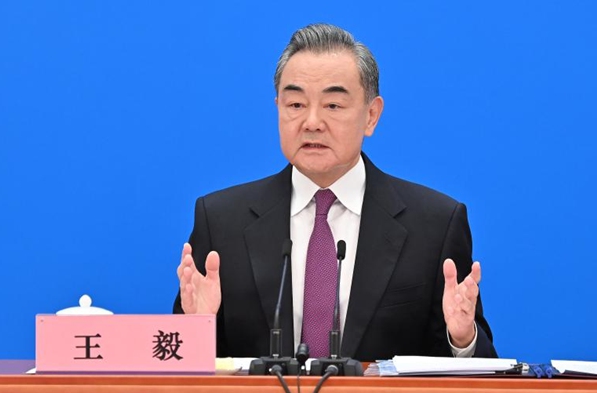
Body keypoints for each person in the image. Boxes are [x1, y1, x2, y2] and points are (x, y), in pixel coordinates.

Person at [174, 24, 497, 361]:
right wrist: (197, 328)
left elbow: (482, 377)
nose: (311, 122)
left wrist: (461, 338)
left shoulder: (434, 225)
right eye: (296, 104)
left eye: (333, 105)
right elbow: (181, 371)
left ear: (371, 116)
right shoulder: (221, 220)